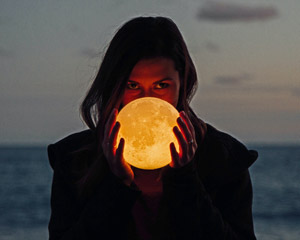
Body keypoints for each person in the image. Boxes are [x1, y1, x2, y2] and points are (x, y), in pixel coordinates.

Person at [47, 16, 258, 240]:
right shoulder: (74, 160)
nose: (146, 101)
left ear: (183, 84)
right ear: (114, 86)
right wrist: (116, 185)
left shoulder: (224, 158)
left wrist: (185, 178)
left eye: (161, 85)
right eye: (132, 85)